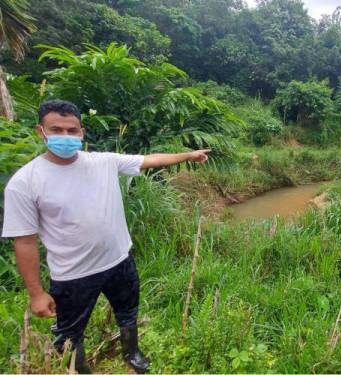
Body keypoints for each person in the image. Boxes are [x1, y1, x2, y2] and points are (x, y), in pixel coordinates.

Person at [1, 100, 211, 373]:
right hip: (72, 275)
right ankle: (78, 369)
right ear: (42, 131)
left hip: (119, 261)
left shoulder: (104, 162)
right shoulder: (25, 181)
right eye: (57, 130)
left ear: (82, 132)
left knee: (128, 312)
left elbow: (151, 160)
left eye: (72, 130)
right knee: (69, 332)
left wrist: (188, 155)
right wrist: (36, 293)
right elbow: (25, 241)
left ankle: (132, 353)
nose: (65, 136)